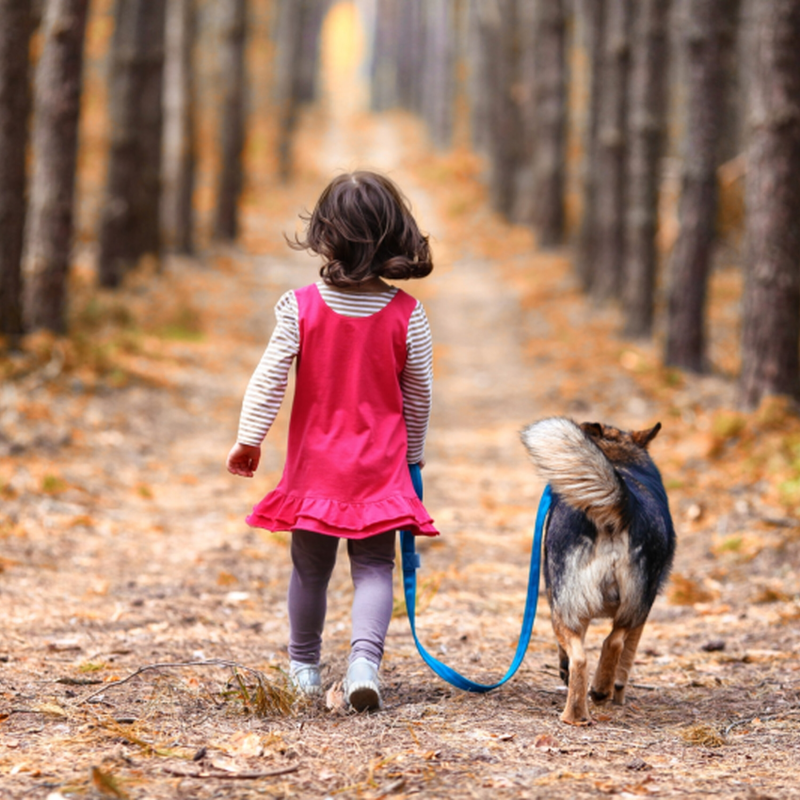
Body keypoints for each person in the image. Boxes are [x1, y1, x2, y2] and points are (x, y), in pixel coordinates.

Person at [227, 171, 438, 712]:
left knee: (310, 569)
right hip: (378, 470)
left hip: (315, 468)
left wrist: (250, 438)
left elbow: (269, 376)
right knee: (374, 568)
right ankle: (364, 663)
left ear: (326, 234)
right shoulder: (407, 316)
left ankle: (302, 668)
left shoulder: (299, 307)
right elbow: (419, 395)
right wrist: (412, 457)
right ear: (396, 235)